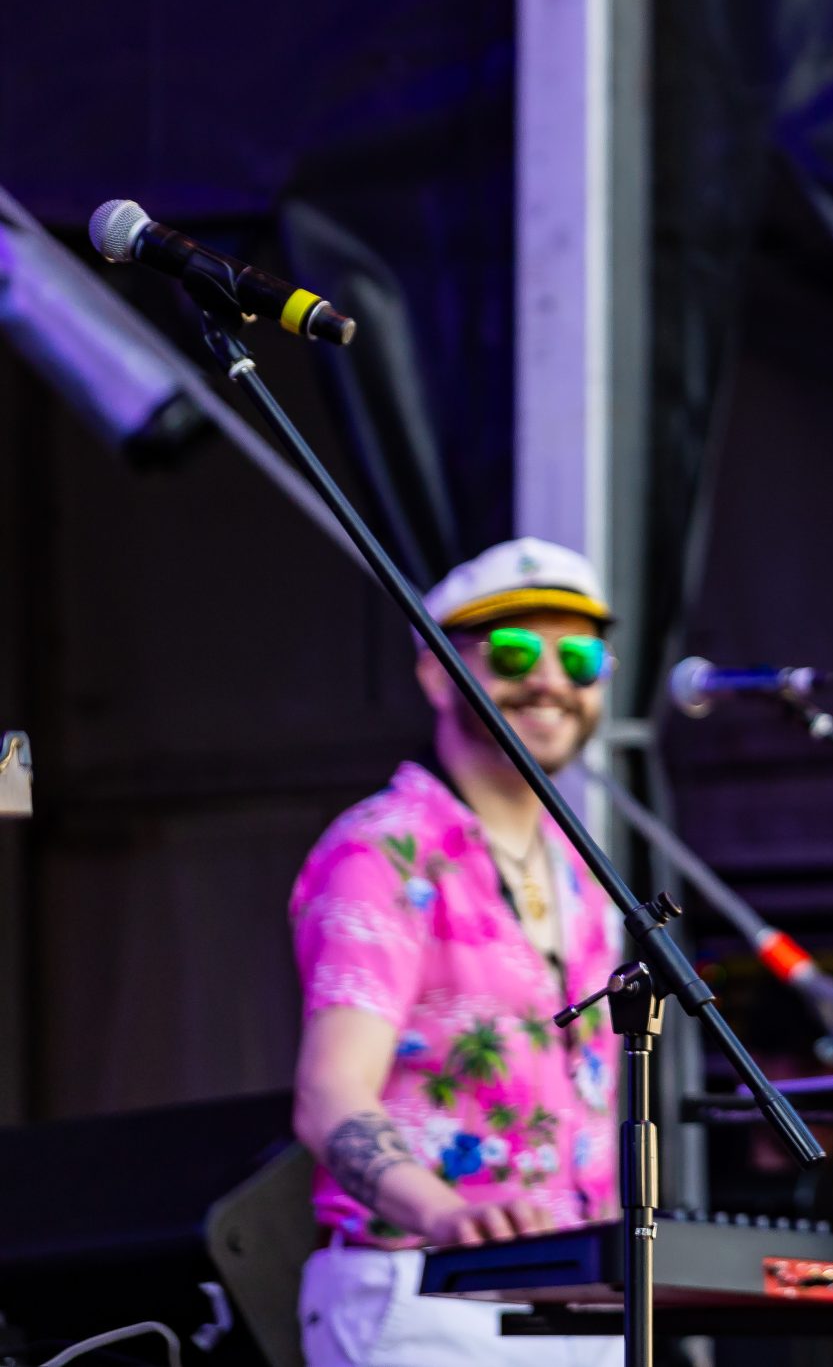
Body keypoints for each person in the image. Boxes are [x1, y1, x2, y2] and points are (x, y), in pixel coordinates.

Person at [290, 538, 623, 1367]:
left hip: (577, 1295)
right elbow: (329, 1094)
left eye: (579, 657)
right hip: (426, 1288)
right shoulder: (382, 849)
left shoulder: (584, 872)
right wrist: (446, 1213)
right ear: (438, 674)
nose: (549, 679)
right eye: (512, 651)